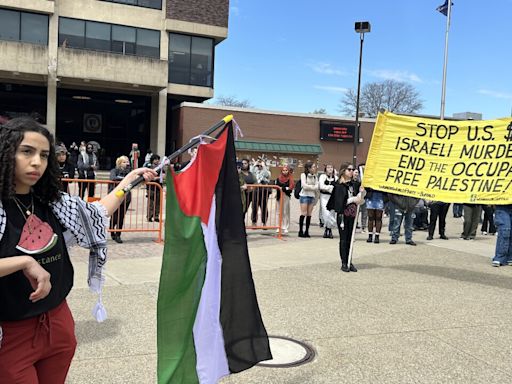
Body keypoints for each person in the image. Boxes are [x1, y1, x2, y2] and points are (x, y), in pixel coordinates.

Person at [0, 117, 156, 383]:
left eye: (44, 155)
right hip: (10, 334)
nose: (37, 161)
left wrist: (127, 182)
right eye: (26, 151)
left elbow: (96, 213)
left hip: (58, 323)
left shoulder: (53, 203)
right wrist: (24, 262)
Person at [327, 163, 365, 272]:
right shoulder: (339, 185)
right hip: (343, 215)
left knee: (350, 238)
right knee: (344, 239)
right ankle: (344, 262)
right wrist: (353, 199)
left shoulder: (354, 184)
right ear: (344, 171)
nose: (352, 171)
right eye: (349, 169)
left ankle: (349, 260)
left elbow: (361, 197)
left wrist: (361, 194)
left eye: (353, 169)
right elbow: (340, 203)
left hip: (352, 214)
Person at [109, 156, 132, 243]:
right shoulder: (114, 170)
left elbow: (133, 179)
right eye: (124, 162)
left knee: (121, 217)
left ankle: (118, 234)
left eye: (127, 162)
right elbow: (113, 177)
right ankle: (112, 231)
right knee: (114, 217)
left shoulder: (129, 171)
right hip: (115, 196)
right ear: (119, 163)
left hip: (126, 197)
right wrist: (125, 180)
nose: (127, 164)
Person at [298, 161, 319, 237]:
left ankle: (307, 231)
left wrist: (310, 187)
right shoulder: (303, 175)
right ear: (309, 168)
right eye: (313, 167)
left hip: (312, 196)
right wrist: (312, 187)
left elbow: (317, 186)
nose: (315, 168)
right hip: (304, 195)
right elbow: (304, 186)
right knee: (303, 213)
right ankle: (300, 231)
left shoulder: (315, 176)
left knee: (309, 214)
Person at [274, 165, 294, 234]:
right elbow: (275, 186)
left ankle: (285, 227)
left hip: (286, 196)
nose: (285, 172)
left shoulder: (290, 178)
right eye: (283, 170)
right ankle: (278, 226)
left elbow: (291, 186)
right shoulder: (278, 178)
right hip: (279, 196)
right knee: (278, 212)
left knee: (286, 211)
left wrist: (285, 188)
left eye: (286, 170)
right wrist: (279, 188)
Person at [318, 164, 337, 238]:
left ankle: (328, 230)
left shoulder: (335, 177)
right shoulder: (322, 176)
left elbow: (337, 187)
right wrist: (330, 187)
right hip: (324, 197)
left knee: (331, 213)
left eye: (331, 167)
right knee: (325, 212)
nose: (330, 169)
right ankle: (328, 227)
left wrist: (331, 188)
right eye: (328, 167)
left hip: (332, 197)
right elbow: (321, 186)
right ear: (325, 169)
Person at [251, 159, 271, 226]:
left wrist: (264, 166)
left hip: (264, 191)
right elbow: (250, 173)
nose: (259, 166)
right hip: (255, 190)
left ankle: (264, 222)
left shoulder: (267, 171)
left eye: (260, 165)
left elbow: (266, 175)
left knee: (264, 207)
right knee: (254, 207)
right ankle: (254, 222)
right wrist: (254, 165)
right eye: (258, 165)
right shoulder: (255, 171)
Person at [147, 154, 163, 222]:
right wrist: (156, 178)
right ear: (152, 160)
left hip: (159, 186)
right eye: (155, 159)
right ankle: (149, 216)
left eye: (158, 159)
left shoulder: (160, 167)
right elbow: (148, 177)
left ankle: (156, 216)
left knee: (158, 202)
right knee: (151, 202)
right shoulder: (149, 167)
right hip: (151, 187)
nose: (157, 161)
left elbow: (163, 175)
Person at [353, 168, 367, 232]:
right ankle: (354, 226)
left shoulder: (362, 181)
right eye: (355, 172)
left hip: (362, 198)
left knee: (364, 213)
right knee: (355, 213)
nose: (356, 174)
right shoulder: (352, 182)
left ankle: (363, 227)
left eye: (357, 172)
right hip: (355, 199)